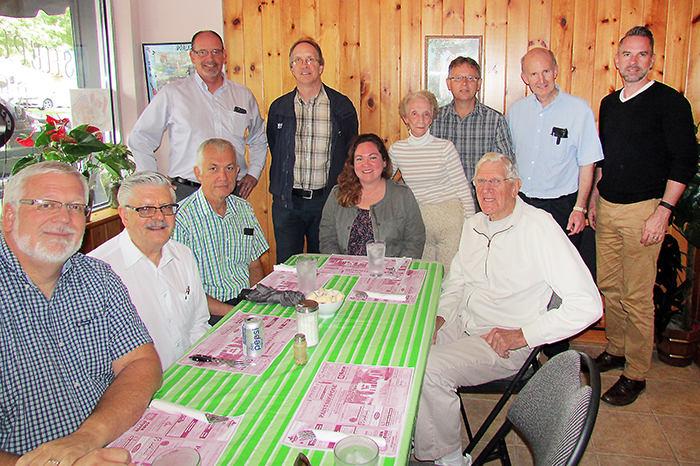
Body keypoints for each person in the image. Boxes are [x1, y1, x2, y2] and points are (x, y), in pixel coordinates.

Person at [413, 153, 602, 466]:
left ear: (515, 187)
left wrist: (524, 335)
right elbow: (457, 284)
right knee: (408, 349)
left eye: (496, 181)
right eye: (481, 181)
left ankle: (447, 459)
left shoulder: (539, 227)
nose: (487, 189)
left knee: (429, 369)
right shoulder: (473, 225)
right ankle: (415, 431)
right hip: (463, 323)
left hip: (503, 340)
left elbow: (589, 305)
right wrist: (440, 319)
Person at [0, 161, 162, 465]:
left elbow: (142, 363)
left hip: (117, 443)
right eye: (46, 204)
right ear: (9, 215)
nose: (64, 218)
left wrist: (88, 437)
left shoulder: (98, 277)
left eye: (76, 208)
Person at [589, 26, 697, 406]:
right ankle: (616, 349)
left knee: (636, 296)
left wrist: (663, 212)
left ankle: (636, 372)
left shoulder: (670, 102)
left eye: (641, 54)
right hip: (608, 207)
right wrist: (594, 199)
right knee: (610, 287)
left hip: (645, 211)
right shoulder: (609, 103)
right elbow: (604, 156)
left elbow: (685, 161)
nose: (633, 61)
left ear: (651, 60)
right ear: (617, 60)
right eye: (626, 54)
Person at [89, 171, 210, 370]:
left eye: (166, 208)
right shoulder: (97, 272)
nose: (159, 217)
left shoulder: (184, 255)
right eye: (145, 209)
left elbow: (199, 323)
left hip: (189, 374)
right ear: (124, 215)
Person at [129, 30, 267, 201]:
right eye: (202, 52)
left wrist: (253, 173)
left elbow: (259, 139)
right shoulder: (173, 94)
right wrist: (153, 182)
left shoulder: (243, 95)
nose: (210, 58)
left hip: (231, 193)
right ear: (192, 56)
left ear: (224, 55)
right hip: (187, 192)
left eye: (215, 52)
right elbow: (140, 137)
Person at [267, 37, 359, 264]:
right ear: (291, 68)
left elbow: (350, 152)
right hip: (287, 204)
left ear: (321, 66)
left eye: (310, 59)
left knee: (328, 268)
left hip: (327, 203)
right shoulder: (279, 108)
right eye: (298, 60)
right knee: (288, 269)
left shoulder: (341, 106)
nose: (304, 65)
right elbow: (275, 145)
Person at [507, 47, 603, 249]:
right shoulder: (516, 111)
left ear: (556, 71)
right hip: (522, 203)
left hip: (562, 206)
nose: (541, 80)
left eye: (546, 72)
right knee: (524, 265)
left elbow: (588, 163)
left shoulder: (579, 110)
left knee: (561, 270)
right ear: (524, 78)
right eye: (534, 74)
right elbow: (509, 159)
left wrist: (580, 208)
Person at [172, 138, 268, 325]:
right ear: (198, 173)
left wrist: (256, 304)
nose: (223, 177)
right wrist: (236, 313)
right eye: (213, 168)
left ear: (238, 172)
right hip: (207, 314)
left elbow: (254, 265)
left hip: (246, 303)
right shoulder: (181, 219)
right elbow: (186, 290)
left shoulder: (244, 209)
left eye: (229, 168)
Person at [389, 90, 475, 273]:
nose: (420, 119)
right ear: (405, 118)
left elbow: (462, 187)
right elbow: (382, 180)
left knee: (450, 275)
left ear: (431, 118)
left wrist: (471, 224)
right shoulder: (397, 150)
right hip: (419, 220)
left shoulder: (445, 147)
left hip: (450, 218)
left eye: (426, 114)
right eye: (414, 113)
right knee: (423, 274)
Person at [319, 133, 425, 258]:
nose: (366, 164)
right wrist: (340, 266)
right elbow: (327, 239)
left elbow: (415, 239)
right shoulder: (338, 194)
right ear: (353, 165)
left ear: (384, 162)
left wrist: (398, 269)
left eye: (372, 158)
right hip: (346, 271)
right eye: (359, 159)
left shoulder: (402, 195)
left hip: (390, 271)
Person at [431, 56, 514, 204]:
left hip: (484, 202)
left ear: (479, 83)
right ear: (448, 83)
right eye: (458, 78)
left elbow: (506, 167)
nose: (464, 83)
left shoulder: (495, 121)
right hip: (444, 203)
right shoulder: (434, 120)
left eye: (470, 78)